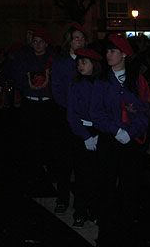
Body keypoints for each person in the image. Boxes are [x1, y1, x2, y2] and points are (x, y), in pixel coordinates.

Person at [90, 34, 150, 247]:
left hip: (131, 140)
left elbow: (144, 111)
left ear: (124, 54)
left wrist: (132, 132)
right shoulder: (102, 81)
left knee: (130, 185)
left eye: (113, 51)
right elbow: (96, 112)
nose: (108, 55)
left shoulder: (137, 81)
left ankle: (128, 228)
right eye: (107, 51)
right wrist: (115, 131)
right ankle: (106, 230)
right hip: (110, 138)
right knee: (106, 185)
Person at [50, 22, 87, 213]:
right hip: (65, 116)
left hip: (84, 118)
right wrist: (70, 109)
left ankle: (82, 203)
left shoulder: (90, 61)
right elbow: (56, 88)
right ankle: (62, 198)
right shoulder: (61, 62)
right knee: (64, 160)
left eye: (82, 38)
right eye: (76, 39)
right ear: (69, 42)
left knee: (82, 162)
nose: (80, 42)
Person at [15, 26, 57, 190]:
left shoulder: (52, 59)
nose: (38, 45)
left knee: (49, 138)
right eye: (35, 42)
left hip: (47, 103)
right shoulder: (25, 58)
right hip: (30, 102)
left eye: (41, 42)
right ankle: (33, 172)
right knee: (31, 139)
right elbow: (18, 78)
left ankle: (50, 169)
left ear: (46, 44)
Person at [66, 47, 103, 228]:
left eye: (84, 62)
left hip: (99, 132)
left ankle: (95, 210)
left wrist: (99, 133)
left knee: (98, 175)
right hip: (82, 133)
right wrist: (85, 136)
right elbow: (71, 113)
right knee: (81, 174)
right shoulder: (75, 84)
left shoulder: (102, 84)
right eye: (79, 62)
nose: (80, 66)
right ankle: (80, 211)